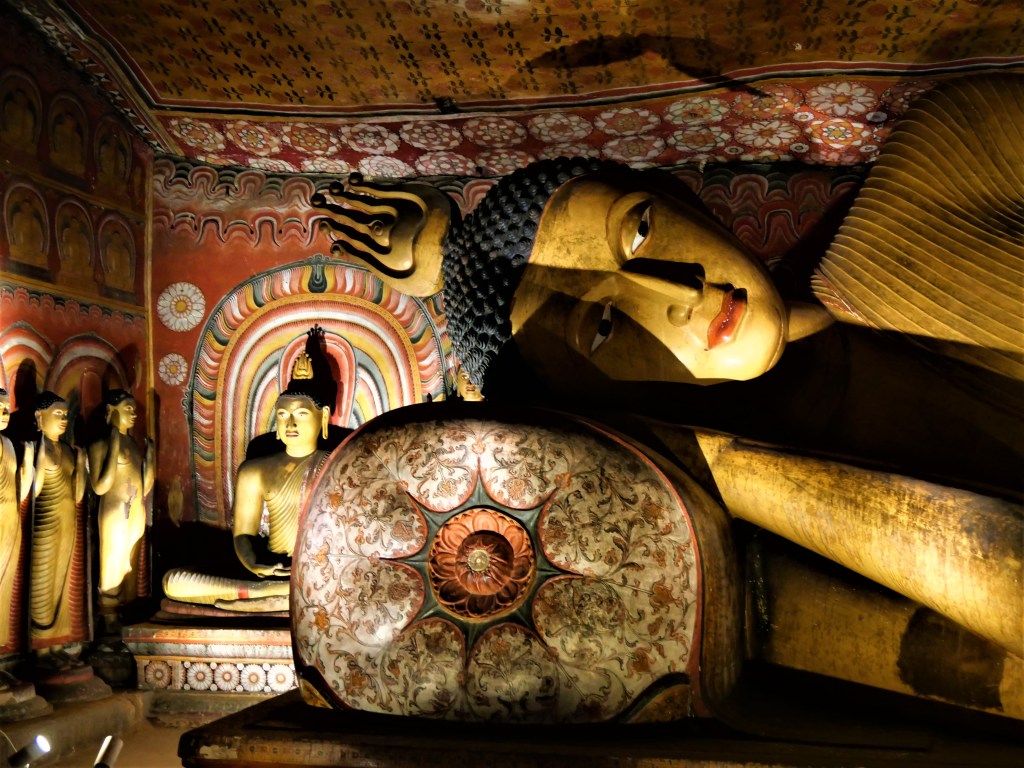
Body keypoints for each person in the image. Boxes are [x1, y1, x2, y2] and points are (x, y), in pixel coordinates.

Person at [163, 351, 331, 611]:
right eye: (283, 415)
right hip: (269, 573)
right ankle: (273, 596)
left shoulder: (337, 465)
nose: (290, 423)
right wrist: (254, 564)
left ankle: (269, 598)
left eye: (301, 414)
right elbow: (243, 534)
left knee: (340, 584)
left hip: (321, 573)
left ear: (324, 417)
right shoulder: (254, 471)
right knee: (174, 582)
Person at [29, 392, 88, 667]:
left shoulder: (66, 450)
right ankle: (41, 650)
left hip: (67, 524)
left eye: (65, 415)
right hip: (45, 525)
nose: (64, 419)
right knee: (42, 585)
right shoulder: (37, 449)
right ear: (39, 417)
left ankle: (56, 644)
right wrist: (39, 456)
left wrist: (82, 466)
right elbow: (34, 491)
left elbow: (78, 494)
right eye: (57, 414)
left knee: (61, 584)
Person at [87, 390, 153, 633]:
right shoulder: (100, 444)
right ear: (110, 411)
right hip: (115, 514)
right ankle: (108, 614)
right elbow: (100, 486)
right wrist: (114, 444)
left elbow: (145, 486)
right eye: (127, 408)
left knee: (129, 564)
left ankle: (125, 608)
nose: (133, 413)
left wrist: (150, 458)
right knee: (113, 562)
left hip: (135, 512)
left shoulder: (133, 445)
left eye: (134, 409)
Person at [0, 388, 32, 653]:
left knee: (5, 588)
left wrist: (28, 464)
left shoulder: (9, 444)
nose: (4, 413)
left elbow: (20, 490)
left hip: (11, 519)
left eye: (6, 409)